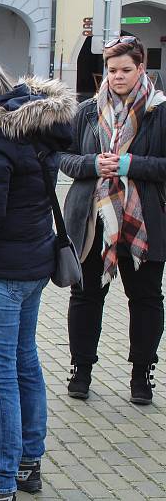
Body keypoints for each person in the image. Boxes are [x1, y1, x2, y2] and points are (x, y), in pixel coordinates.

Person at [0, 50, 76, 501]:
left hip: (2, 268)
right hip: (34, 263)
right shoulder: (34, 122)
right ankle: (29, 462)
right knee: (25, 362)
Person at [61, 36, 166, 405]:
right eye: (111, 70)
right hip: (94, 218)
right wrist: (92, 164)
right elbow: (63, 157)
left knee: (146, 298)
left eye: (125, 69)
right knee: (86, 295)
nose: (117, 76)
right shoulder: (88, 111)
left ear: (141, 69)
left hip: (144, 220)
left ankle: (142, 376)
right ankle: (81, 370)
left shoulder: (159, 110)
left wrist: (130, 165)